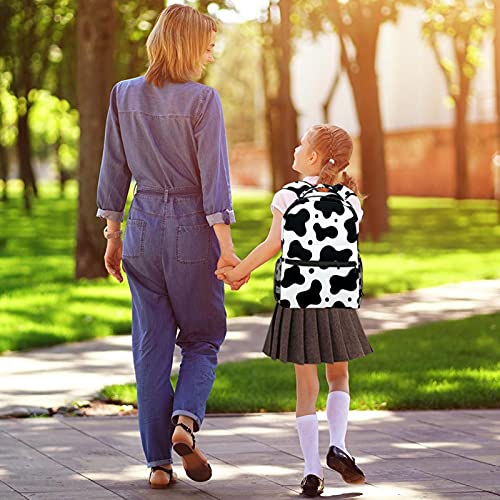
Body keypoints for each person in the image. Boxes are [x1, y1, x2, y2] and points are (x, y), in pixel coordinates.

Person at [96, 4, 248, 489]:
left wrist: (113, 235)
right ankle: (185, 421)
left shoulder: (123, 95)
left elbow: (113, 170)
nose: (209, 54)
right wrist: (226, 249)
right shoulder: (204, 100)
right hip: (190, 229)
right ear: (185, 46)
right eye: (205, 46)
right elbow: (214, 183)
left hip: (141, 227)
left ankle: (158, 464)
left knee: (151, 348)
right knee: (203, 338)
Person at [217, 124, 373, 497]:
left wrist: (238, 272)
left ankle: (311, 472)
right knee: (339, 378)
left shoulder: (288, 197)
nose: (295, 147)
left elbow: (273, 245)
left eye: (301, 144)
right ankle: (340, 445)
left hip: (300, 299)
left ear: (314, 158)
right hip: (339, 300)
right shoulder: (352, 201)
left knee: (306, 387)